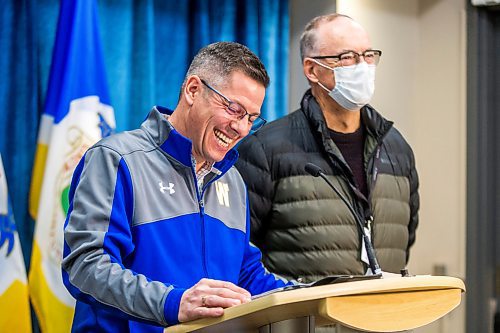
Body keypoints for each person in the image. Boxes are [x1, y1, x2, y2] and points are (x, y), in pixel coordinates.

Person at [62, 41, 293, 333]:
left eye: (251, 118)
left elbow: (245, 275)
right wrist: (173, 303)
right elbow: (86, 267)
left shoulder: (232, 180)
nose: (242, 129)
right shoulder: (117, 160)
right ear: (193, 90)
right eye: (234, 110)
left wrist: (312, 293)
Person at [236, 14, 419, 288]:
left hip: (384, 323)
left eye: (368, 55)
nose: (362, 66)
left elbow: (405, 238)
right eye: (347, 57)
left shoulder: (397, 149)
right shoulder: (266, 149)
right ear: (311, 69)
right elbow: (241, 256)